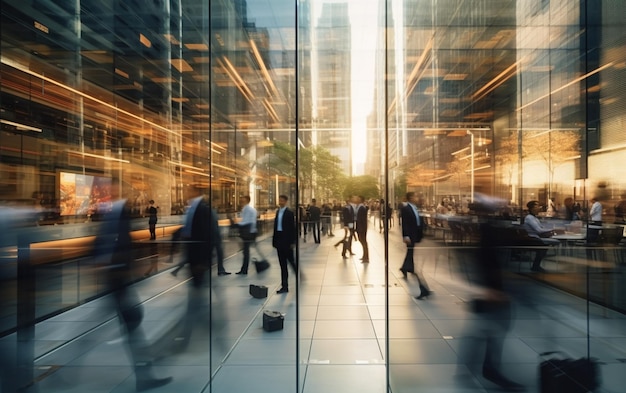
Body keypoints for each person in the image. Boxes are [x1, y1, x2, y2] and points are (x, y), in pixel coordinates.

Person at [101, 198, 173, 391]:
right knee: (132, 324)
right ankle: (144, 374)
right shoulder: (118, 214)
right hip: (117, 282)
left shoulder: (114, 214)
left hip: (116, 281)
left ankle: (145, 371)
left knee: (131, 323)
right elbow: (117, 246)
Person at [456, 200, 525, 392]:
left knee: (485, 330)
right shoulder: (487, 230)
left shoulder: (482, 228)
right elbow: (484, 260)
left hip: (490, 289)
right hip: (490, 290)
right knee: (487, 329)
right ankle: (487, 368)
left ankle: (479, 368)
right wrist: (488, 288)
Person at [400, 192, 431, 299]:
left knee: (410, 251)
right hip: (411, 234)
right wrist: (405, 235)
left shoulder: (416, 207)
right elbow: (404, 223)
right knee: (410, 251)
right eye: (415, 196)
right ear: (410, 198)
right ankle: (407, 268)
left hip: (416, 233)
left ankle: (406, 267)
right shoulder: (405, 208)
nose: (416, 198)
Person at [523, 200, 560, 272]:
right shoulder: (529, 218)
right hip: (532, 238)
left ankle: (536, 266)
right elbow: (539, 230)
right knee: (543, 247)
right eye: (537, 207)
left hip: (536, 237)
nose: (539, 208)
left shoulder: (534, 218)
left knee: (545, 246)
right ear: (532, 208)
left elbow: (541, 228)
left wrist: (549, 230)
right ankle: (535, 266)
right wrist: (552, 229)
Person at [236, 195, 266, 275]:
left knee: (246, 251)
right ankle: (246, 268)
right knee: (250, 250)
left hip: (249, 232)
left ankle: (245, 269)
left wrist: (238, 224)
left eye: (243, 200)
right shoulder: (248, 209)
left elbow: (248, 221)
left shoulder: (247, 209)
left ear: (247, 201)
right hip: (251, 232)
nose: (241, 202)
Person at [273, 195, 297, 293]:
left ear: (286, 201)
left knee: (291, 261)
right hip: (279, 239)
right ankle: (284, 286)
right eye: (279, 200)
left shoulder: (289, 213)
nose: (280, 202)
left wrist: (292, 241)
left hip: (286, 240)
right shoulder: (278, 212)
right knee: (282, 264)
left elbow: (293, 228)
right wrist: (274, 241)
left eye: (282, 200)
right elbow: (275, 227)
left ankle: (298, 275)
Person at [355, 196, 369, 263]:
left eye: (357, 198)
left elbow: (362, 219)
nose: (356, 199)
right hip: (360, 227)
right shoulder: (360, 207)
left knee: (363, 242)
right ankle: (364, 256)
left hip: (361, 228)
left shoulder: (361, 207)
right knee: (362, 241)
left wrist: (362, 228)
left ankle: (366, 257)